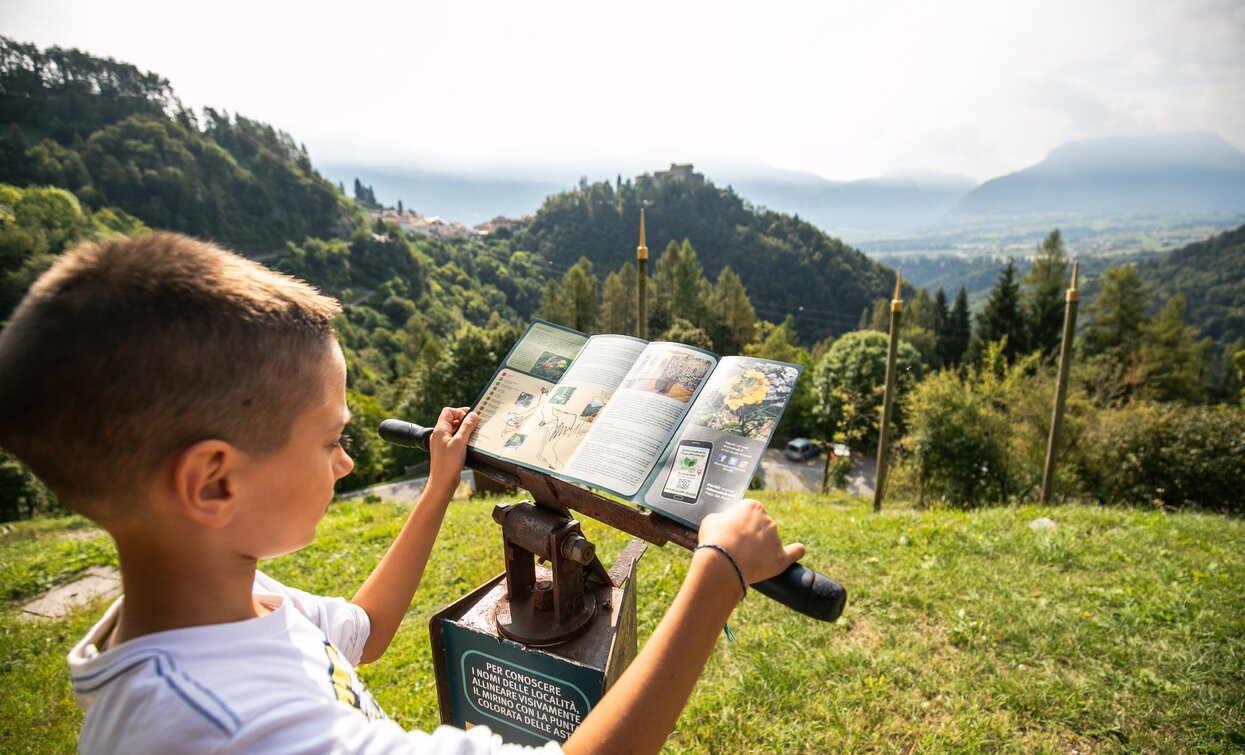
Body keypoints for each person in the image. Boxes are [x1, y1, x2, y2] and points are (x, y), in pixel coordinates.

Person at [0, 232, 805, 753]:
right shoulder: (227, 729)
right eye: (329, 440)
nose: (346, 463)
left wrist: (437, 484)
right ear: (215, 480)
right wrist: (715, 580)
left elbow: (367, 630)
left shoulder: (221, 598)